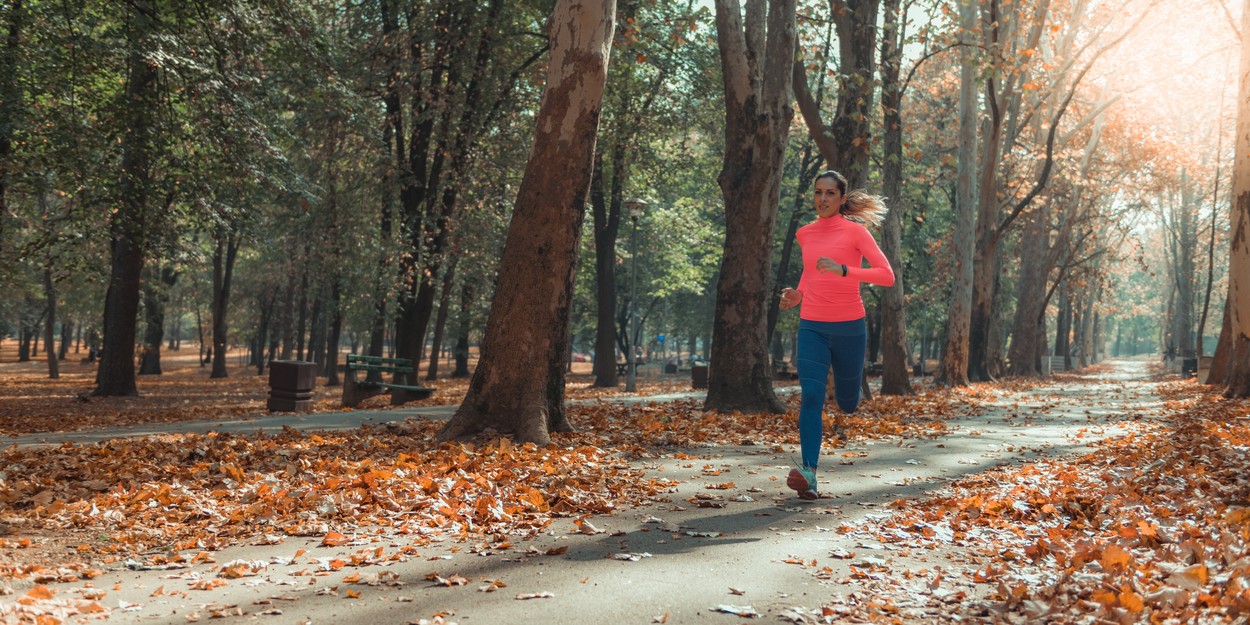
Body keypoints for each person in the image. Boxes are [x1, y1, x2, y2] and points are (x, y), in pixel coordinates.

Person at [778, 170, 894, 500]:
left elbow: (887, 276)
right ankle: (809, 473)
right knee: (812, 397)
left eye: (830, 193)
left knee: (847, 402)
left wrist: (846, 271)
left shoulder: (856, 233)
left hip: (849, 328)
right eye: (818, 192)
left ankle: (849, 396)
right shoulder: (805, 233)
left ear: (842, 199)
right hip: (812, 325)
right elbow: (809, 271)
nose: (822, 199)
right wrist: (797, 295)